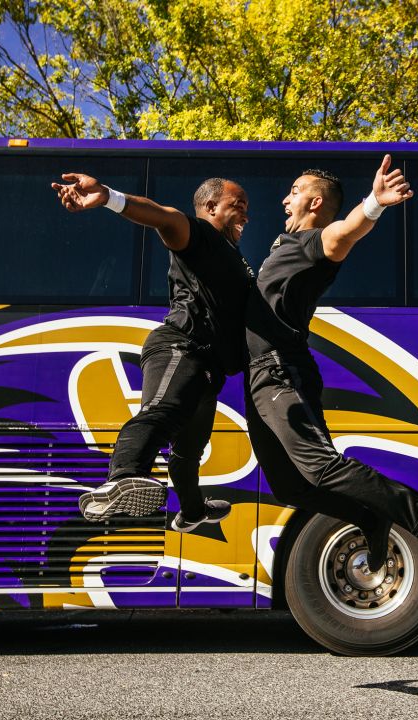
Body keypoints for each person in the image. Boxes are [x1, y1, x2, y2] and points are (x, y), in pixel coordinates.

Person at [244, 156, 418, 592]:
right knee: (290, 486)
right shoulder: (283, 247)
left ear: (314, 201)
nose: (284, 198)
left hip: (279, 372)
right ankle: (370, 517)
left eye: (293, 191)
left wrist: (374, 204)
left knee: (321, 468)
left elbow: (342, 234)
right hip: (258, 376)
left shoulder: (312, 242)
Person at [51, 173, 255, 532]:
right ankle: (123, 476)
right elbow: (164, 217)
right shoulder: (200, 236)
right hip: (182, 346)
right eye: (237, 206)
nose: (245, 216)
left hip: (209, 367)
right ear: (210, 207)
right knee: (163, 412)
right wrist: (109, 196)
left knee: (190, 449)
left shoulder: (233, 257)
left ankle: (192, 510)